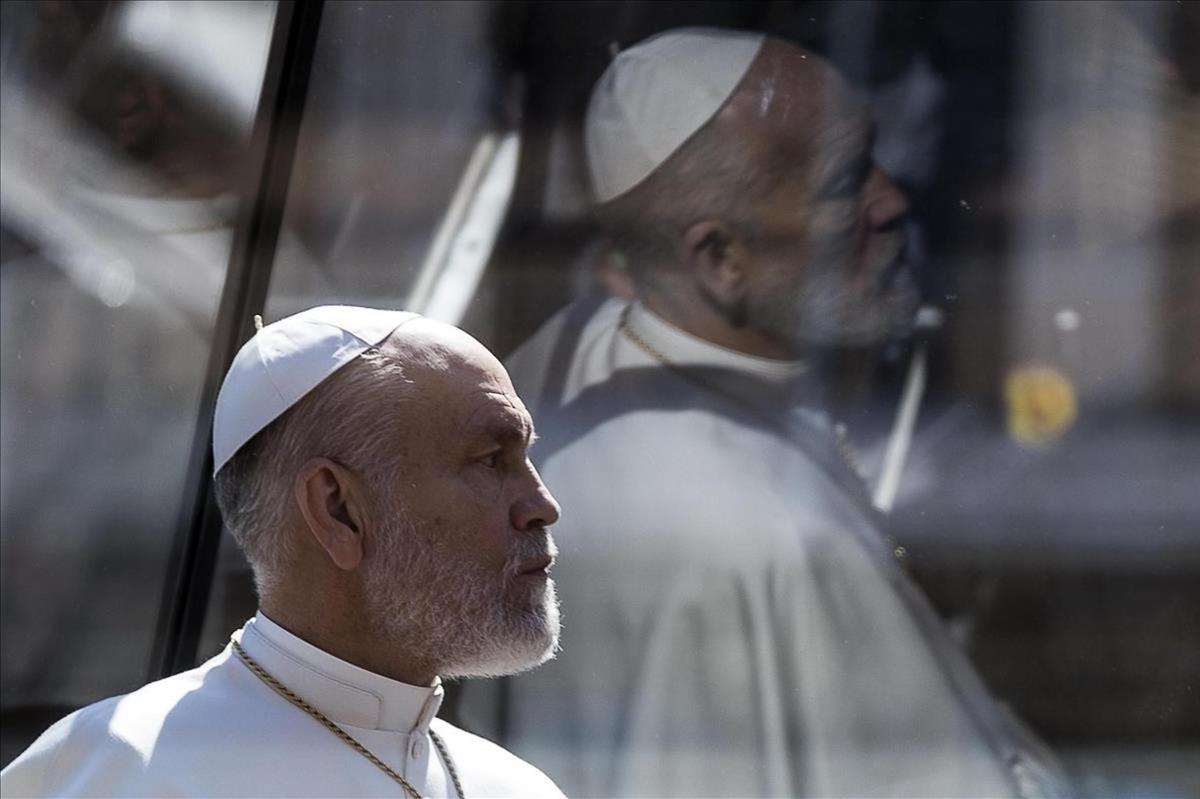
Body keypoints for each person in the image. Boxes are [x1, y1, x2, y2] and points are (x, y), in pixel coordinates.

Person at [457, 29, 1068, 798]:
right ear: (719, 259)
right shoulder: (758, 531)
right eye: (846, 183)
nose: (893, 201)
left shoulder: (556, 360)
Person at [0, 305, 566, 798]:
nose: (542, 504)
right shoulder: (120, 771)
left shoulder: (517, 787)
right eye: (492, 460)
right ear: (338, 509)